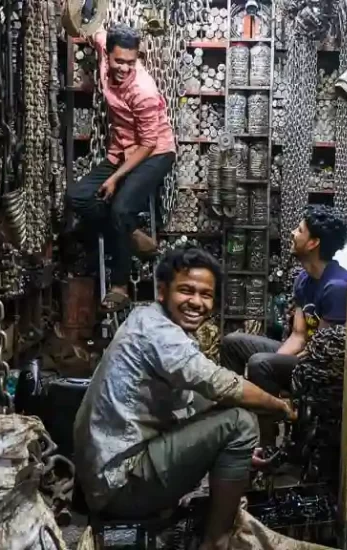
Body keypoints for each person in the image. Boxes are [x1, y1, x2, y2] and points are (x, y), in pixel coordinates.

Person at [74, 247, 295, 550]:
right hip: (119, 483)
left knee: (211, 406)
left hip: (109, 473)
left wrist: (235, 459)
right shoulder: (158, 332)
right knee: (240, 423)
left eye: (206, 295)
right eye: (186, 291)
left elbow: (196, 400)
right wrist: (282, 408)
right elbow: (223, 384)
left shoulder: (147, 317)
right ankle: (216, 541)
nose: (196, 302)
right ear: (163, 292)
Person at [65, 24, 175, 311]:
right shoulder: (105, 52)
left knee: (120, 208)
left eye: (131, 61)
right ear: (109, 55)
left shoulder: (144, 90)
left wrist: (115, 178)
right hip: (122, 149)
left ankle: (120, 285)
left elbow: (149, 143)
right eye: (119, 61)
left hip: (155, 153)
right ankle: (130, 233)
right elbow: (94, 28)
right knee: (76, 197)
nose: (125, 68)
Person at [221, 205, 347, 398]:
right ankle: (238, 407)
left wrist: (271, 364)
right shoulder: (303, 279)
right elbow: (299, 335)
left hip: (323, 364)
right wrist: (275, 360)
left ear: (313, 243)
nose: (292, 233)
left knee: (260, 364)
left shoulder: (337, 287)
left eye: (299, 230)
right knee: (232, 343)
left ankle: (267, 422)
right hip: (307, 350)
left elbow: (322, 351)